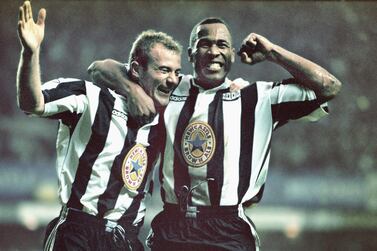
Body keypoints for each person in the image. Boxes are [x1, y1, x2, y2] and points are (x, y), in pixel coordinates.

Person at [89, 17, 342, 251]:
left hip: (228, 230)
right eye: (204, 44)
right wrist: (132, 91)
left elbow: (329, 86)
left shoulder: (257, 98)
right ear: (190, 54)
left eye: (222, 45)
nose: (214, 51)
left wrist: (272, 52)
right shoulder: (170, 87)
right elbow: (99, 68)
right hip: (173, 226)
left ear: (232, 55)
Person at [16, 1, 182, 250]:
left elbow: (103, 66)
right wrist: (30, 53)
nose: (173, 79)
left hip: (125, 238)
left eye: (177, 72)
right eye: (164, 70)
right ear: (137, 69)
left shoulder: (168, 118)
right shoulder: (90, 98)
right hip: (77, 233)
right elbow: (33, 103)